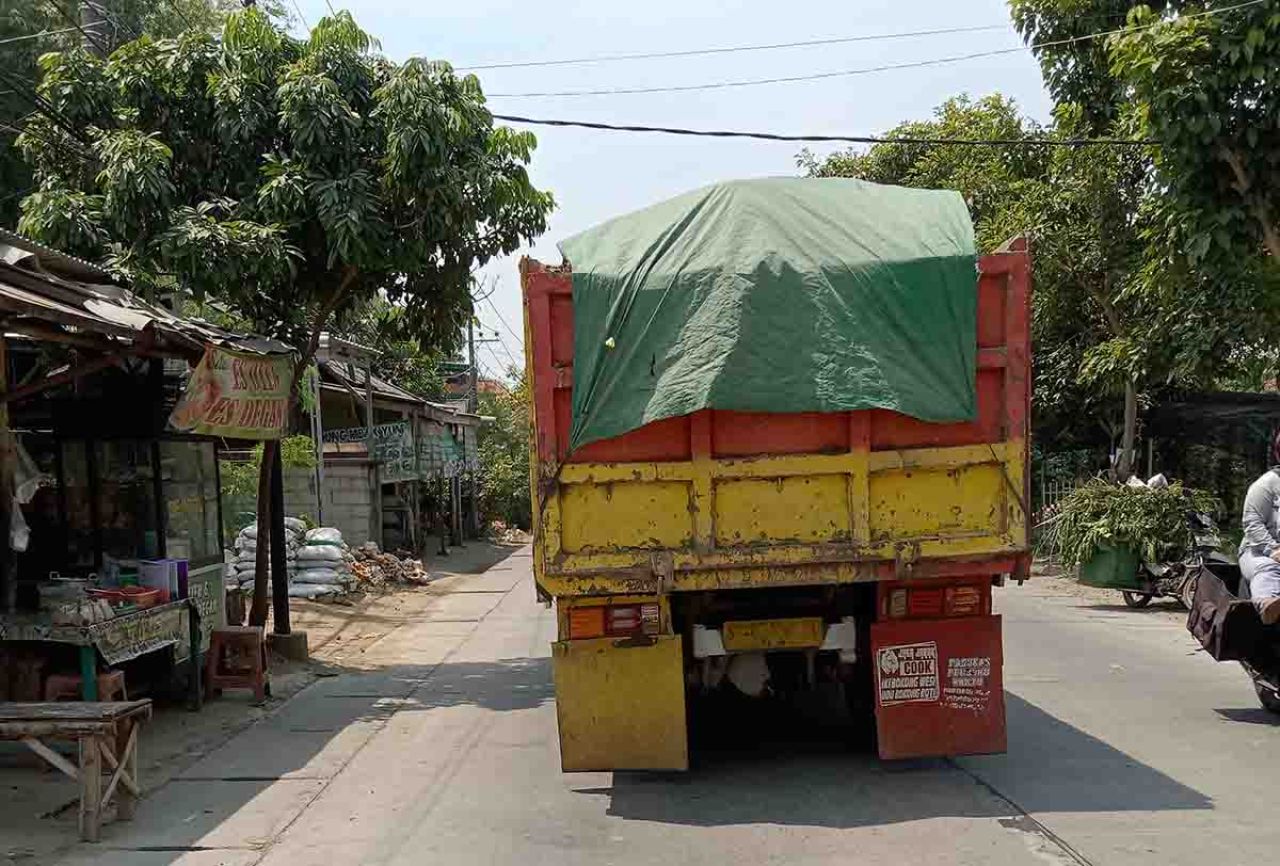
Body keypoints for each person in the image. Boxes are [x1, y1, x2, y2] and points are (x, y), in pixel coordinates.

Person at [1240, 432, 1280, 624]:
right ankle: (1267, 603)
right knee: (1267, 569)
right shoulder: (1266, 485)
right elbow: (1252, 522)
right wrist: (1273, 550)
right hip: (1259, 551)